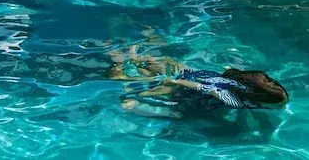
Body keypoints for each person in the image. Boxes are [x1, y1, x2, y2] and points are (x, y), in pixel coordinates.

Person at [109, 46, 288, 118]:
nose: (282, 107)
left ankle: (134, 59)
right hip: (189, 89)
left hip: (197, 73)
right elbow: (207, 89)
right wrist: (178, 82)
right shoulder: (235, 101)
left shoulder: (245, 81)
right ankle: (132, 94)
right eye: (279, 104)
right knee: (179, 114)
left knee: (165, 67)